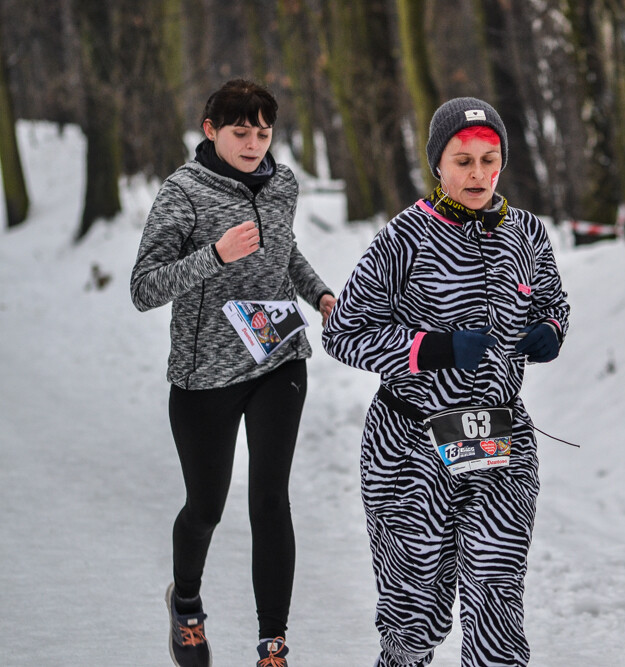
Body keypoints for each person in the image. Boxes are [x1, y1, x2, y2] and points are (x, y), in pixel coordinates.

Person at [323, 97, 570, 667]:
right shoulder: (402, 240)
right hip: (410, 442)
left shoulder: (527, 234)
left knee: (495, 589)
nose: (478, 174)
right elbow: (342, 333)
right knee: (416, 607)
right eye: (463, 161)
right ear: (438, 164)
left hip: (494, 434)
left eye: (489, 159)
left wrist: (550, 330)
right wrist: (430, 347)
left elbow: (554, 301)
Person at [130, 78, 336, 667]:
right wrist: (215, 255)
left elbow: (284, 250)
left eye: (263, 133)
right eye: (240, 133)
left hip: (279, 359)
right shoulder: (183, 192)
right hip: (205, 376)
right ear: (211, 130)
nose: (253, 145)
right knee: (206, 506)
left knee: (271, 500)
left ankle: (274, 644)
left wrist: (318, 294)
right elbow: (144, 288)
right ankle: (187, 606)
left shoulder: (283, 184)